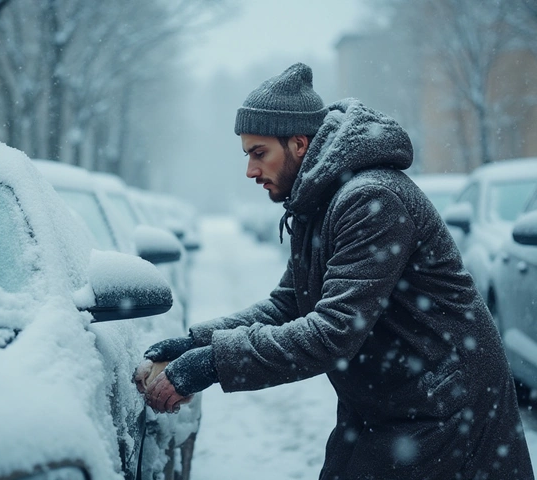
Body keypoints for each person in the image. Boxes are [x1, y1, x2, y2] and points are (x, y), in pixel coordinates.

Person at [134, 63, 534, 479]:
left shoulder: (370, 200)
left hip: (444, 409)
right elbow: (288, 304)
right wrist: (193, 343)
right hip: (391, 404)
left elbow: (334, 330)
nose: (250, 171)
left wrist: (212, 364)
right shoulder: (318, 201)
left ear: (300, 144)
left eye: (259, 154)